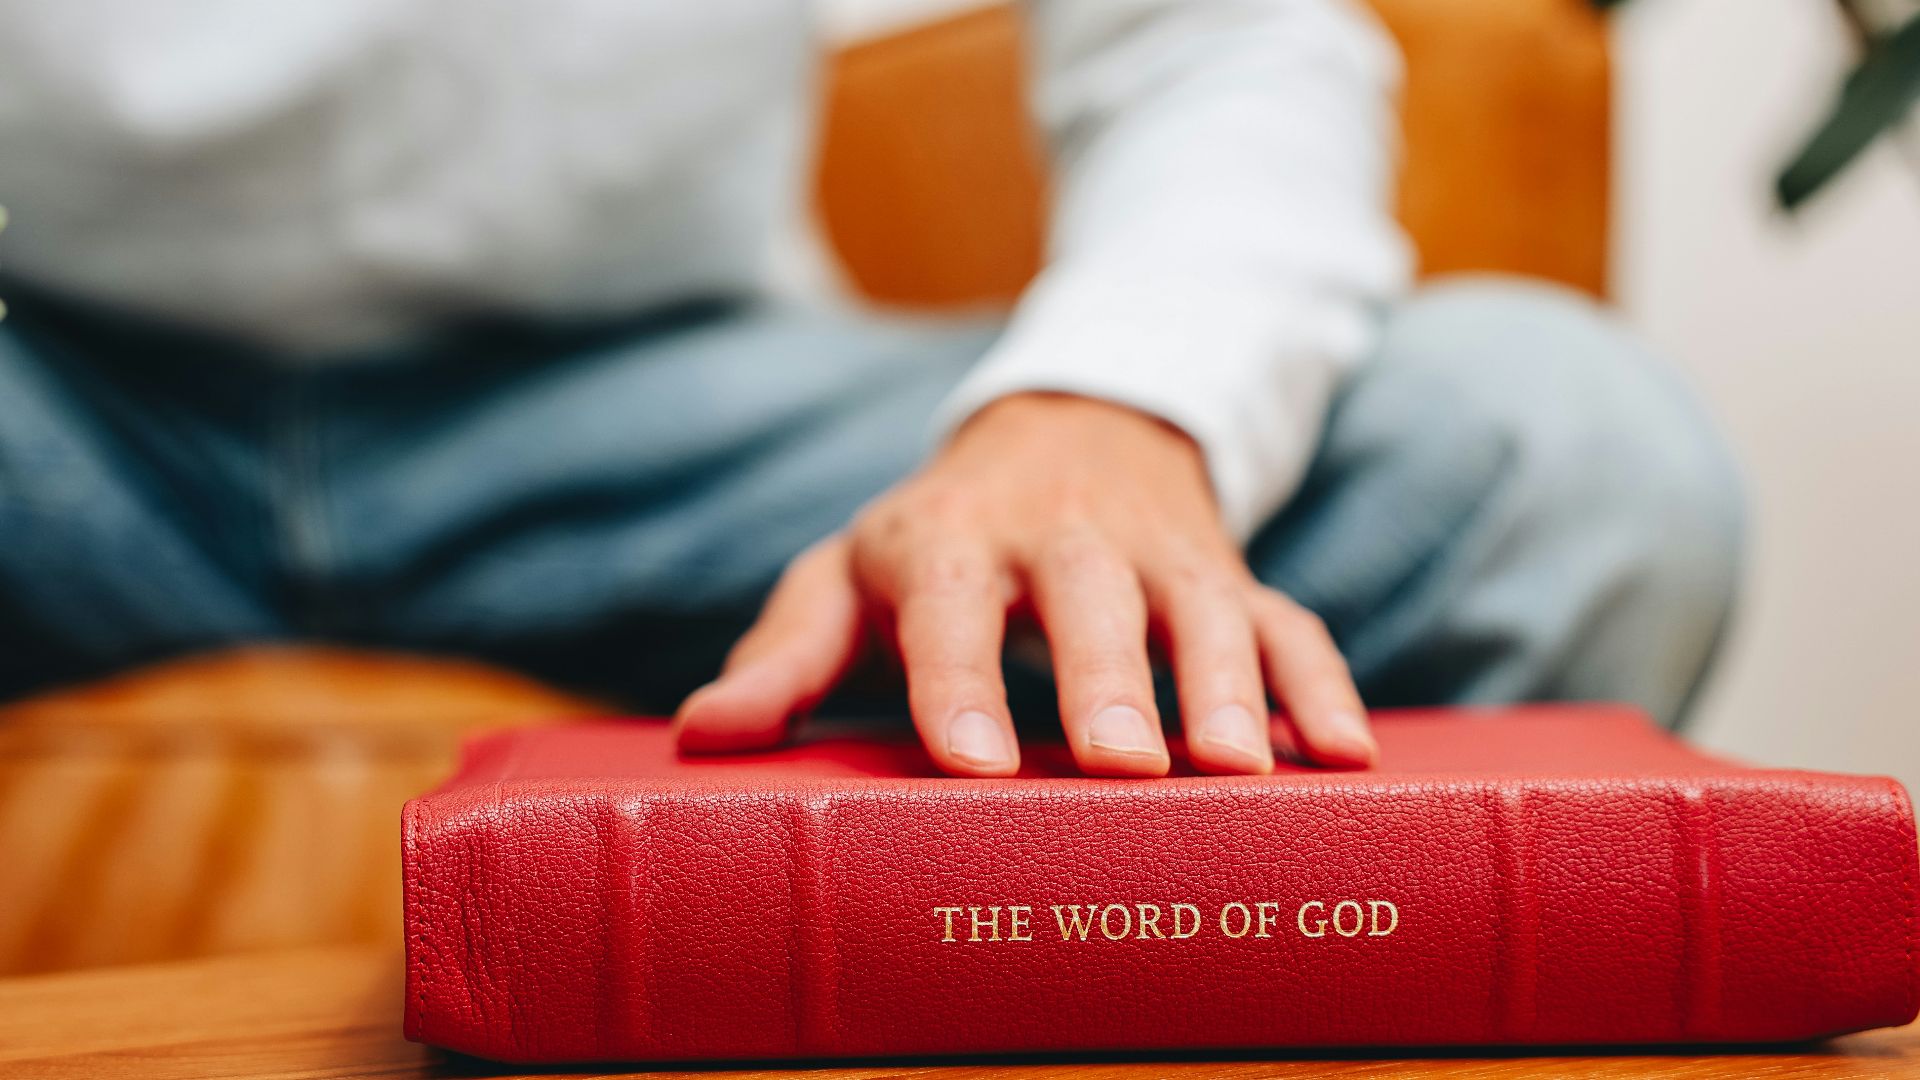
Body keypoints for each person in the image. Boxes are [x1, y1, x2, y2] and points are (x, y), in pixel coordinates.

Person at [0, 0, 1741, 778]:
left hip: (667, 416)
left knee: (1566, 457)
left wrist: (1102, 410)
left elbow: (1221, 45)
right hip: (50, 400)